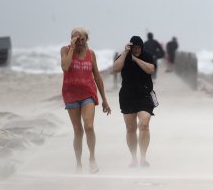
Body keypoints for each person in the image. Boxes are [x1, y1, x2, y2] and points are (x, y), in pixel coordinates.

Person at [60, 27, 111, 174]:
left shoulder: (91, 54)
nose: (80, 42)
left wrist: (104, 99)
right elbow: (65, 66)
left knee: (89, 127)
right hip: (71, 95)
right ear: (72, 39)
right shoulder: (65, 50)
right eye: (77, 39)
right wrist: (72, 48)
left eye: (83, 39)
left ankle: (92, 159)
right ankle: (78, 163)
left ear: (86, 40)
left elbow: (97, 77)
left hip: (88, 94)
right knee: (78, 131)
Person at [113, 36, 156, 167]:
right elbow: (116, 68)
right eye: (134, 47)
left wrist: (136, 59)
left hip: (145, 95)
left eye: (139, 47)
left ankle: (143, 157)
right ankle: (134, 158)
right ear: (130, 47)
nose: (137, 50)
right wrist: (126, 53)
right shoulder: (123, 56)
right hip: (128, 96)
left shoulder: (147, 56)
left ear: (142, 47)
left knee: (144, 124)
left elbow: (150, 69)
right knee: (131, 129)